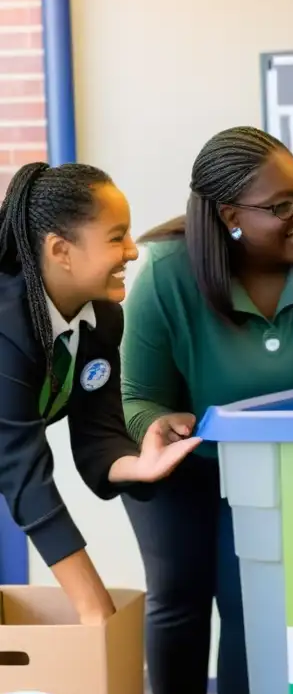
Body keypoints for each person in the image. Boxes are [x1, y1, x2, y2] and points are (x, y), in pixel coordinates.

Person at [119, 126, 293, 694]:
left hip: (283, 475)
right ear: (228, 216)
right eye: (281, 206)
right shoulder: (168, 275)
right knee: (179, 601)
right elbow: (138, 395)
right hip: (185, 468)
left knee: (252, 605)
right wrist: (156, 427)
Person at [0, 162, 201, 626]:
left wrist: (139, 463)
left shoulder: (102, 319)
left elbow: (97, 435)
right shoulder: (6, 327)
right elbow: (24, 474)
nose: (133, 251)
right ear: (60, 250)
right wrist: (93, 606)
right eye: (117, 237)